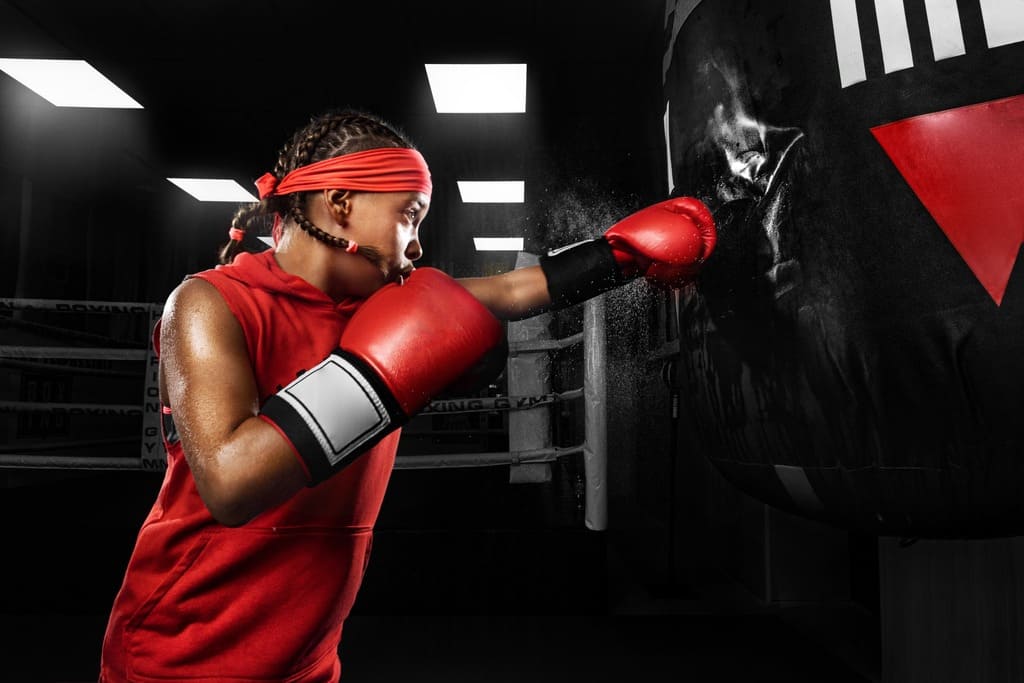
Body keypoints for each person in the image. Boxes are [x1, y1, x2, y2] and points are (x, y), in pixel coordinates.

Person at [98, 108, 716, 683]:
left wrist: (623, 255)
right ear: (341, 204)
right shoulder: (209, 303)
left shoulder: (386, 303)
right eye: (409, 214)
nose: (418, 243)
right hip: (181, 654)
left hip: (307, 656)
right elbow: (231, 484)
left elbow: (513, 289)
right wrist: (377, 374)